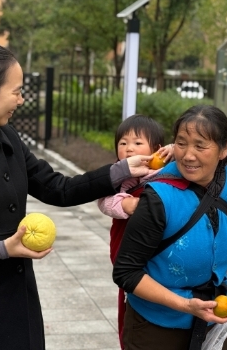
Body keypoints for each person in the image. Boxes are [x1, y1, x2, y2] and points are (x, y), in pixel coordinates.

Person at [0, 42, 152, 350]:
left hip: (16, 302)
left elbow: (58, 187)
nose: (21, 100)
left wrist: (121, 170)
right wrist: (0, 249)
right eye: (16, 91)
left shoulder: (6, 135)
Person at [113, 105, 227, 350]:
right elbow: (125, 273)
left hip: (213, 322)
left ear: (224, 148)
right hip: (156, 328)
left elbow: (216, 235)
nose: (188, 156)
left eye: (200, 146)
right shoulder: (159, 196)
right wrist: (186, 305)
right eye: (181, 143)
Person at [97, 114, 173, 349]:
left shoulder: (168, 171)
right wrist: (126, 204)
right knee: (131, 298)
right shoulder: (119, 176)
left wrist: (173, 150)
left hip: (158, 251)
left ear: (157, 149)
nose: (129, 148)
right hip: (127, 249)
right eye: (123, 143)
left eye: (137, 143)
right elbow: (103, 201)